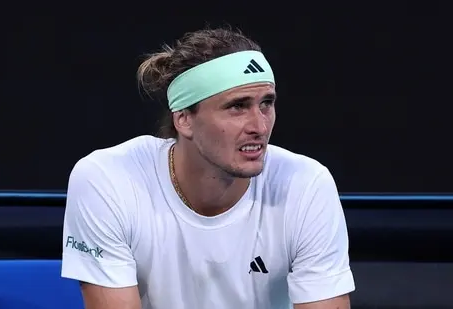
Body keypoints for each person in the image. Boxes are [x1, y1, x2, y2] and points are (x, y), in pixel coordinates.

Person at [61, 26, 355, 309]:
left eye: (266, 103)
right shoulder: (107, 179)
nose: (260, 125)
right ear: (184, 119)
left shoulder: (307, 184)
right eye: (237, 106)